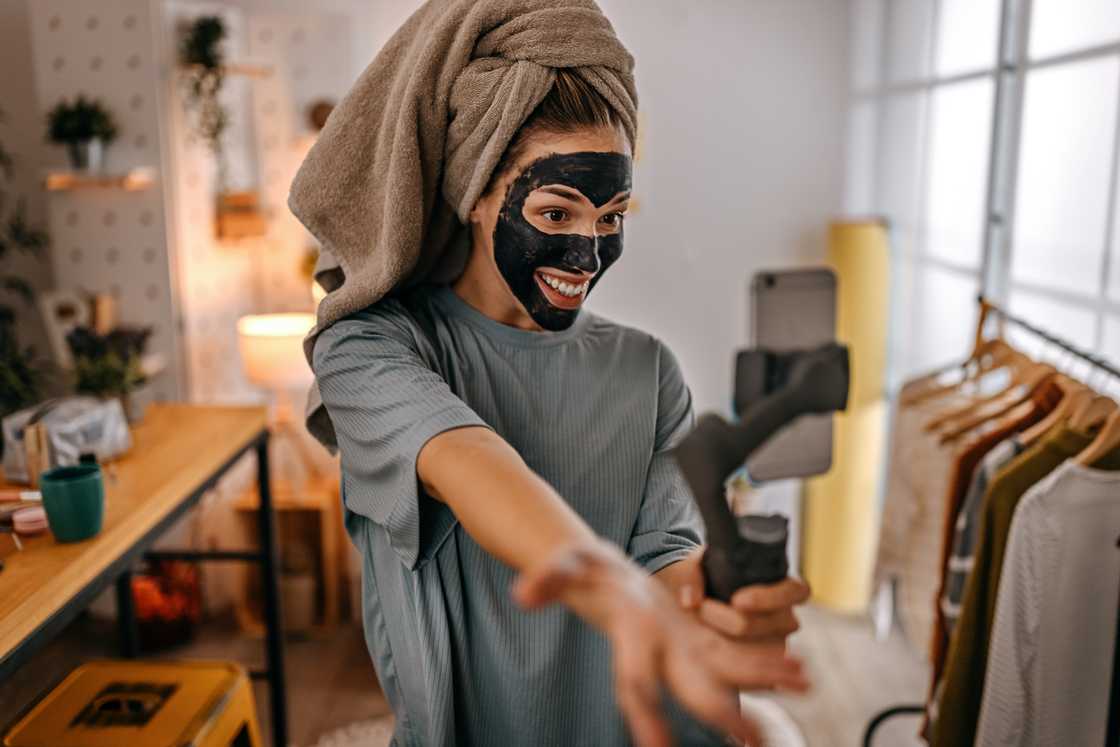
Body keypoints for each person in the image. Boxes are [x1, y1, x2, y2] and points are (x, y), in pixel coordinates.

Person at [298, 2, 811, 745]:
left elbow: (668, 550)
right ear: (475, 194)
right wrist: (607, 584)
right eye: (556, 213)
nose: (588, 257)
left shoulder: (649, 370)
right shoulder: (369, 348)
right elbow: (467, 457)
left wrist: (700, 605)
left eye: (611, 218)